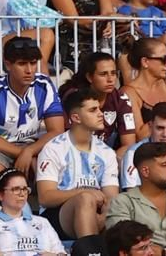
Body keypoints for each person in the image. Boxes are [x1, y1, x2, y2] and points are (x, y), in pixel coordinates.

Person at [0, 36, 65, 183]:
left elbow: (57, 131)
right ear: (8, 65)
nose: (29, 70)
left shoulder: (44, 85)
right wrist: (23, 153)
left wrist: (30, 151)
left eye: (33, 63)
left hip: (31, 146)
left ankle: (47, 205)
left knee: (57, 165)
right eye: (22, 64)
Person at [31, 87, 117, 241]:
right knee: (85, 199)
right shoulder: (54, 148)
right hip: (58, 214)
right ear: (76, 118)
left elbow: (111, 196)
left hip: (97, 211)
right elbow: (45, 197)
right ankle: (90, 251)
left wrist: (102, 218)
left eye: (99, 109)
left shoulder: (107, 152)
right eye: (93, 110)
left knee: (119, 207)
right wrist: (82, 192)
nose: (100, 114)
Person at [107, 140, 166, 256]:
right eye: (165, 165)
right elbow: (123, 243)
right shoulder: (123, 203)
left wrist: (164, 252)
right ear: (145, 171)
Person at [0, 169, 64, 256]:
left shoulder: (42, 222)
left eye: (25, 189)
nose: (22, 194)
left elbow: (61, 252)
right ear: (0, 195)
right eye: (16, 189)